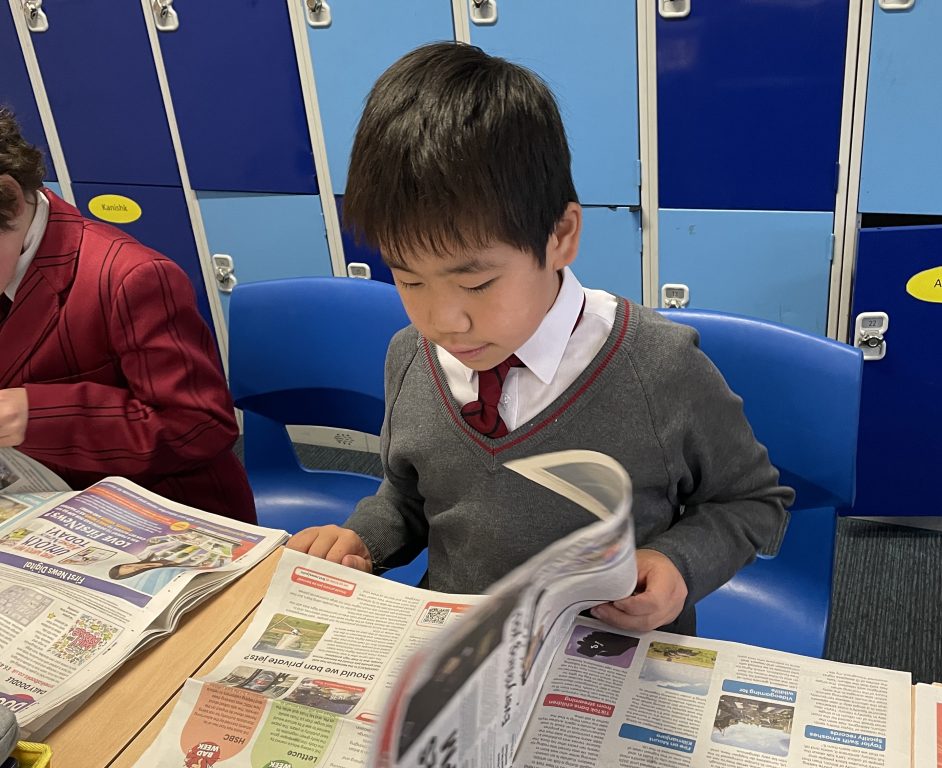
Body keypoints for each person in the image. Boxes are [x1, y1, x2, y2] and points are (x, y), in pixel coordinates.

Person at [288, 42, 794, 635]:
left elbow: (754, 502)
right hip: (465, 649)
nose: (443, 321)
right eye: (408, 279)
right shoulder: (410, 357)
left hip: (608, 654)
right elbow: (407, 498)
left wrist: (676, 564)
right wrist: (362, 540)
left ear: (560, 237)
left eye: (475, 283)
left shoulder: (658, 368)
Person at [0, 108, 255, 523]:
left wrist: (35, 413)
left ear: (10, 201)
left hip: (161, 512)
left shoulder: (131, 278)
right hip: (44, 500)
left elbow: (200, 425)